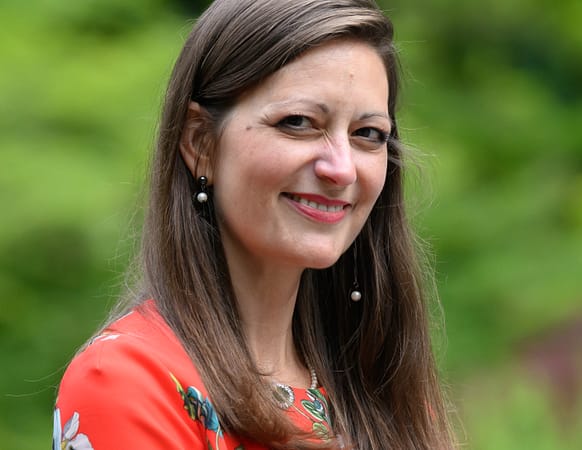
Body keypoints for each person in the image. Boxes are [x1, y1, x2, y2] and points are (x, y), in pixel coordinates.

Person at [53, 0, 454, 448]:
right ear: (201, 142)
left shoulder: (376, 388)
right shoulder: (130, 382)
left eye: (368, 134)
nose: (341, 169)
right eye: (298, 122)